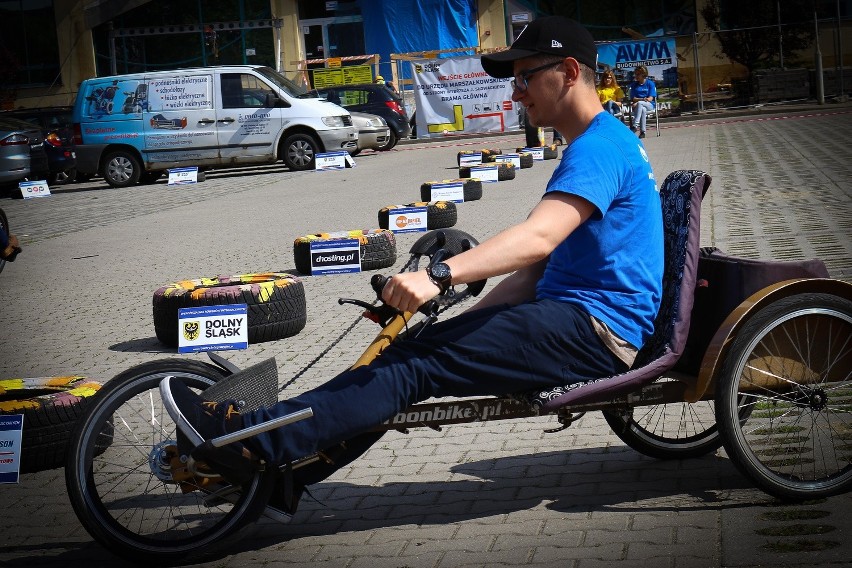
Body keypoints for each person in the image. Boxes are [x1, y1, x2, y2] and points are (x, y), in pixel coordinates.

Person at [162, 16, 663, 513]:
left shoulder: (598, 148)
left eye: (525, 76)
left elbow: (537, 239)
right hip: (571, 315)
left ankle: (249, 444)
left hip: (595, 329)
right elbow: (538, 270)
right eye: (515, 80)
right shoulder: (599, 143)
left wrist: (437, 276)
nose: (516, 92)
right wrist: (466, 321)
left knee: (410, 369)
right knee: (412, 352)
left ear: (570, 71)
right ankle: (287, 475)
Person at [628, 65, 657, 139]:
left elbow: (650, 98)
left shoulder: (650, 83)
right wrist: (642, 100)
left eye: (638, 74)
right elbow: (633, 98)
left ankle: (635, 126)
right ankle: (643, 132)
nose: (636, 76)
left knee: (640, 104)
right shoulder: (634, 85)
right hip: (639, 107)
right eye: (635, 74)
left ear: (643, 74)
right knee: (642, 109)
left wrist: (639, 102)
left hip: (649, 105)